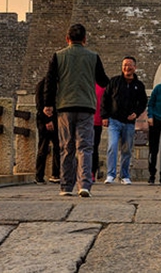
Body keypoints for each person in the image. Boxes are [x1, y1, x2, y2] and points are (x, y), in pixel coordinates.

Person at [44, 23, 109, 198]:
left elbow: (49, 81)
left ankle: (66, 186)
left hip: (65, 107)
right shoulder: (93, 56)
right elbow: (103, 81)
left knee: (66, 147)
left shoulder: (58, 56)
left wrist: (48, 104)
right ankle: (84, 185)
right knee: (85, 147)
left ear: (67, 39)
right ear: (85, 39)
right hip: (87, 107)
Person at [100, 56, 147, 185]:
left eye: (130, 65)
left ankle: (125, 175)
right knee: (112, 146)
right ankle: (110, 174)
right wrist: (104, 116)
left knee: (126, 149)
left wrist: (136, 113)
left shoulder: (139, 85)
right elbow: (105, 99)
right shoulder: (114, 81)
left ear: (135, 67)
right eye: (125, 65)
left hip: (129, 123)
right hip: (114, 121)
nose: (127, 67)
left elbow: (143, 102)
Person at [34, 78, 60, 184]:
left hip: (55, 120)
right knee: (43, 148)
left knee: (58, 147)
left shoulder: (54, 84)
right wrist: (48, 120)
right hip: (44, 120)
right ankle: (39, 175)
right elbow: (40, 105)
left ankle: (55, 174)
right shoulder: (43, 85)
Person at [91, 83, 105, 182]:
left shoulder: (102, 86)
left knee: (94, 147)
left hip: (96, 121)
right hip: (82, 121)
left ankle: (92, 172)